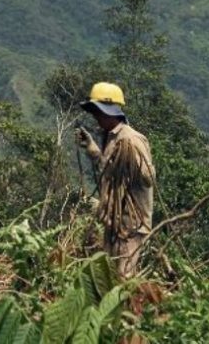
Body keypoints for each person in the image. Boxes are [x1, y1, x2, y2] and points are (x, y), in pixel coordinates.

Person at [75, 82, 155, 278]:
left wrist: (130, 159)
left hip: (131, 226)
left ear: (107, 111)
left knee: (123, 279)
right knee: (110, 277)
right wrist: (93, 149)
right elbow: (108, 172)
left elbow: (148, 178)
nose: (95, 116)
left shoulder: (132, 140)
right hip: (115, 223)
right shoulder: (112, 138)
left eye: (97, 112)